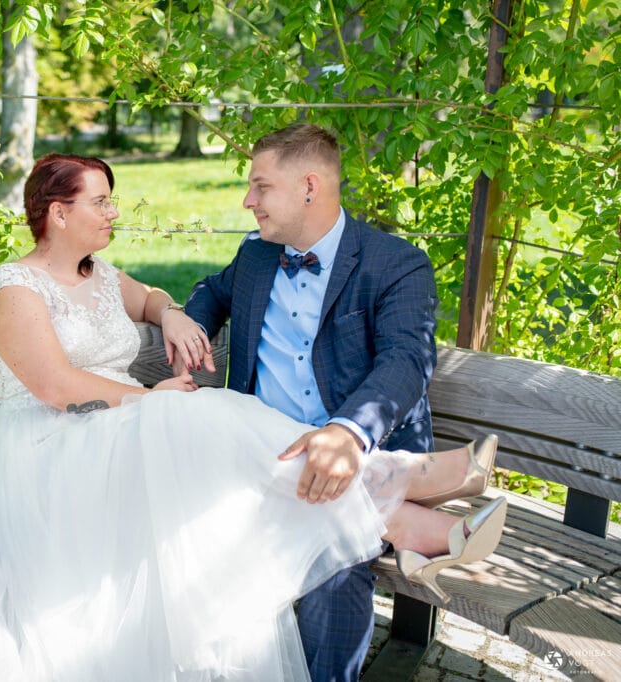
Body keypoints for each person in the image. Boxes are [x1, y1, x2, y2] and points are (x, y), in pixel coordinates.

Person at [0, 153, 503, 682]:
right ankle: (406, 499)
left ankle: (409, 513)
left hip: (116, 430)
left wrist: (173, 314)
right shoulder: (14, 287)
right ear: (58, 213)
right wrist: (157, 401)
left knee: (210, 420)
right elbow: (55, 386)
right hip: (52, 451)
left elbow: (150, 297)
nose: (114, 211)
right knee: (207, 413)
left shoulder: (96, 273)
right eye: (100, 201)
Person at [182, 122, 443, 681]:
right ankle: (410, 513)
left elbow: (407, 361)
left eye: (260, 186)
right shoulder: (256, 257)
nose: (248, 201)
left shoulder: (395, 264)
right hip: (262, 453)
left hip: (350, 451)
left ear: (308, 187)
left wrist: (348, 432)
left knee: (335, 567)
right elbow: (212, 291)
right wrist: (188, 326)